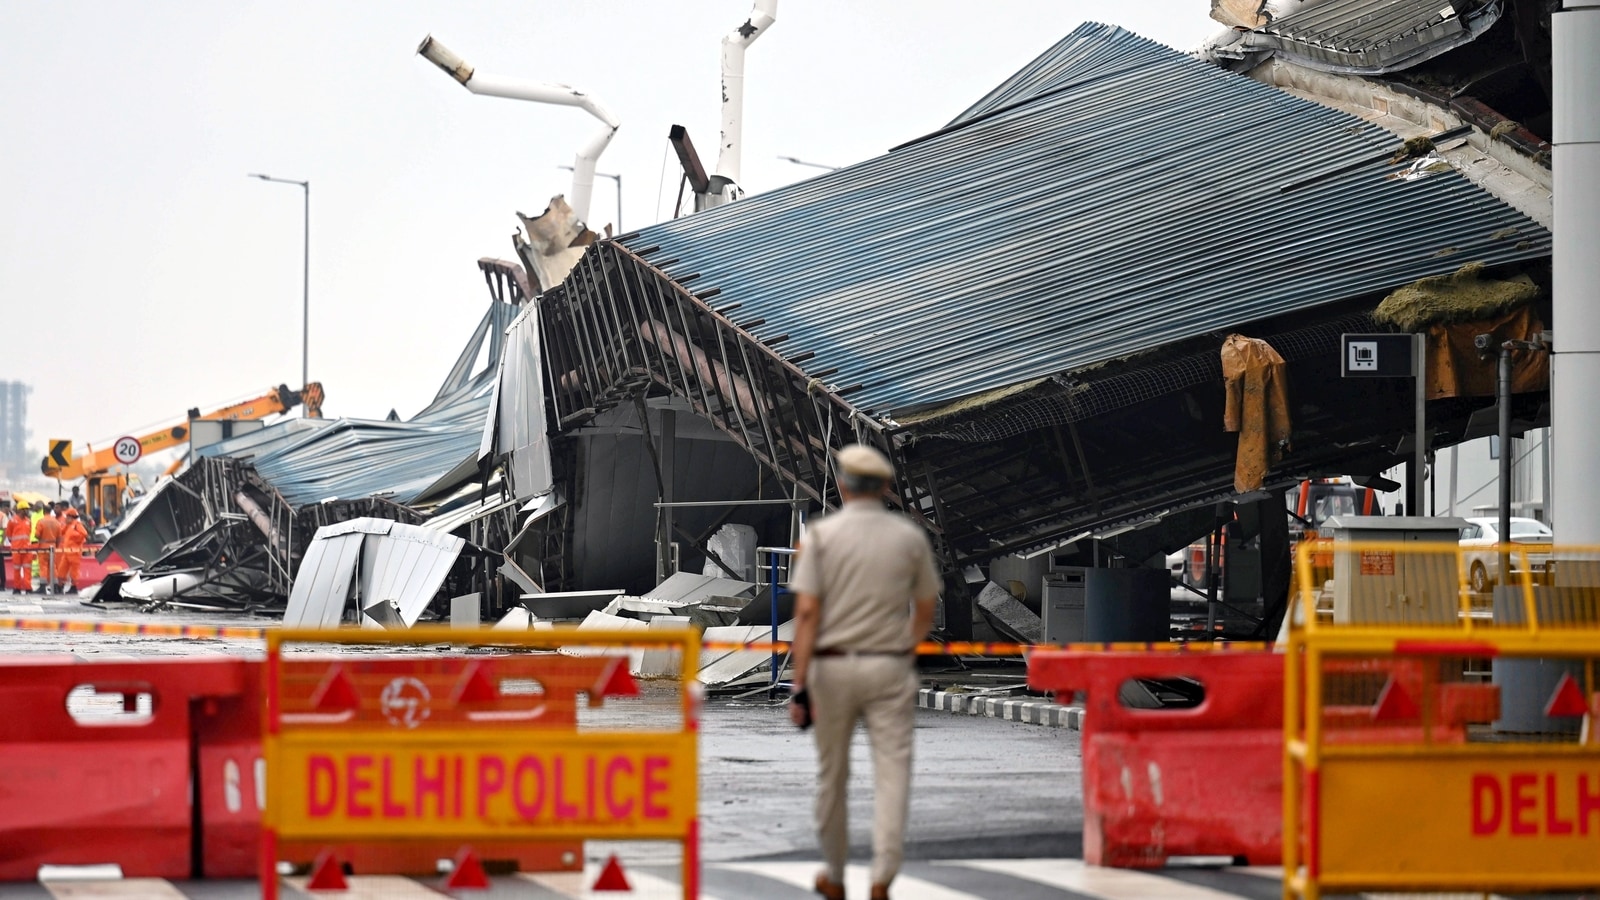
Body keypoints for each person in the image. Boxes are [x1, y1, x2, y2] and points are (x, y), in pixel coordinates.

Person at [787, 444, 940, 900]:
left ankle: (834, 875)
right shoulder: (908, 538)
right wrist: (903, 648)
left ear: (841, 485)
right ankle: (882, 877)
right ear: (886, 488)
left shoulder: (820, 537)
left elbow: (808, 616)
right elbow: (926, 606)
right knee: (892, 772)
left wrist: (799, 686)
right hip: (888, 667)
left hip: (832, 669)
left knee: (832, 775)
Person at [32, 502, 62, 594]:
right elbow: (59, 537)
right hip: (53, 547)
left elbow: (37, 535)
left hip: (43, 548)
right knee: (53, 567)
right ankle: (55, 587)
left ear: (44, 511)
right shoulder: (57, 522)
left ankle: (42, 587)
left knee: (43, 567)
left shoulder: (41, 521)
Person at [56, 509, 88, 594]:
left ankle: (74, 587)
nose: (65, 518)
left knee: (74, 571)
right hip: (67, 553)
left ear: (71, 517)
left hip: (75, 553)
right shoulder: (69, 525)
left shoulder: (77, 525)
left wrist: (75, 539)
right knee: (61, 570)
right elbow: (61, 532)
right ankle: (60, 586)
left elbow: (84, 534)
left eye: (67, 517)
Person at [6, 501, 34, 594]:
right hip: (17, 549)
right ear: (21, 510)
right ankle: (17, 588)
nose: (28, 511)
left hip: (27, 549)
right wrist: (15, 543)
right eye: (26, 509)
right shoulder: (12, 521)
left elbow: (28, 534)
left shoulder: (28, 521)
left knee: (27, 569)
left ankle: (28, 587)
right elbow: (9, 535)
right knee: (16, 569)